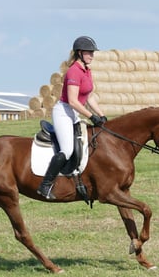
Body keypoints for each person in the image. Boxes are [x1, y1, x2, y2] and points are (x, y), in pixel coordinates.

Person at [37, 36, 107, 200]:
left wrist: (102, 115)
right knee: (67, 150)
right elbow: (73, 101)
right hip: (64, 112)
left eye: (92, 52)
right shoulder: (74, 71)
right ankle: (45, 185)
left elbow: (89, 98)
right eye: (89, 52)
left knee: (85, 143)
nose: (92, 55)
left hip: (74, 113)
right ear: (80, 53)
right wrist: (92, 117)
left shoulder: (87, 70)